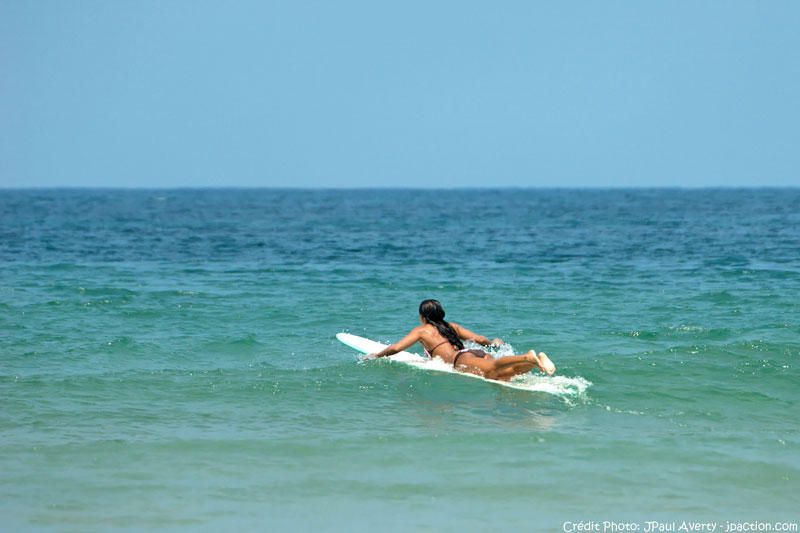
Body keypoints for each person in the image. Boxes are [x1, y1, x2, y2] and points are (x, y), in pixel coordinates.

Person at [365, 299, 556, 380]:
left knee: (494, 368)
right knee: (502, 375)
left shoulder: (422, 331)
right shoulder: (452, 326)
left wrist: (377, 355)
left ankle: (527, 357)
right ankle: (536, 361)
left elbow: (397, 348)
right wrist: (493, 343)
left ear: (423, 316)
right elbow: (480, 339)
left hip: (461, 360)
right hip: (474, 353)